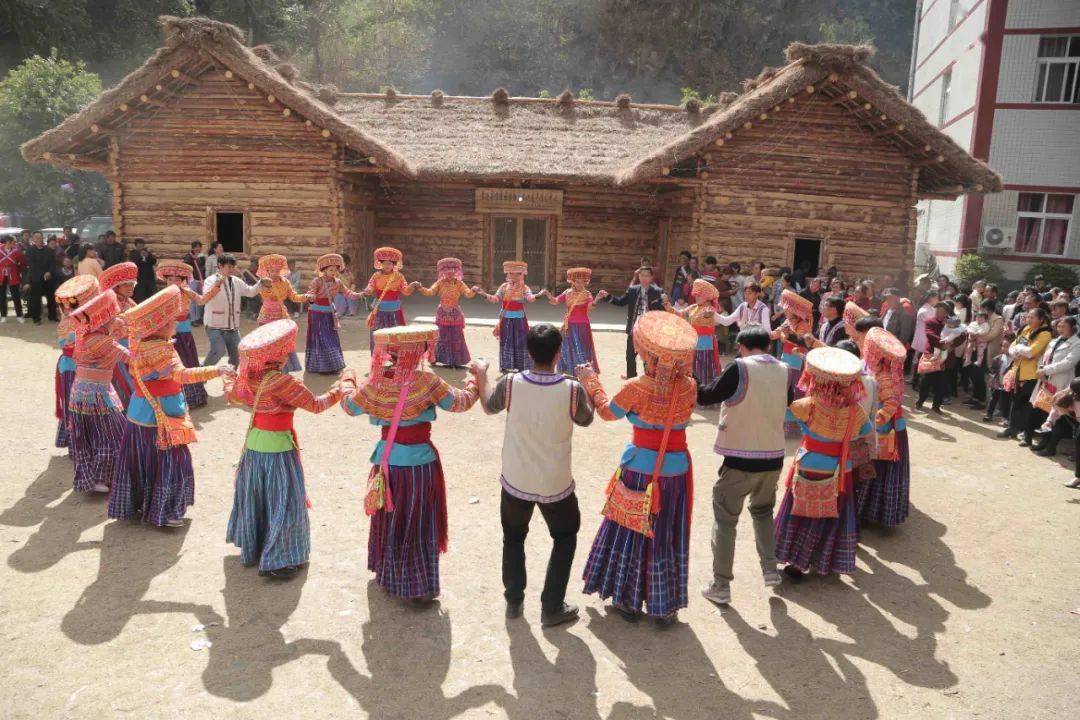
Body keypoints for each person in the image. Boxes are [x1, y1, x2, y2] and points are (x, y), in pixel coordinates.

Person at [340, 325, 481, 604]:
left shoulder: (376, 382)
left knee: (391, 518)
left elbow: (350, 407)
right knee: (417, 521)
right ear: (421, 350)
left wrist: (347, 380)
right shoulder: (426, 381)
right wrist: (475, 379)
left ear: (389, 351)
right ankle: (417, 585)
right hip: (420, 465)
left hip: (387, 464)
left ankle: (389, 574)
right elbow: (461, 403)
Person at [575, 311, 697, 624]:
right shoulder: (689, 387)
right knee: (667, 532)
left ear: (648, 355)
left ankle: (628, 600)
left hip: (641, 470)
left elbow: (606, 413)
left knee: (632, 528)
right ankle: (664, 604)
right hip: (676, 469)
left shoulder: (637, 387)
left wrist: (591, 382)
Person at [477, 324, 594, 627]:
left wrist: (481, 375)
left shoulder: (512, 383)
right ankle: (551, 605)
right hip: (555, 481)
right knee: (565, 537)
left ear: (529, 352)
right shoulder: (571, 389)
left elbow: (489, 405)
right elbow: (586, 419)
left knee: (513, 538)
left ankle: (514, 600)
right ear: (559, 354)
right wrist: (589, 383)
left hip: (516, 479)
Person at [226, 319, 354, 577]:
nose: (289, 355)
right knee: (282, 501)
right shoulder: (282, 382)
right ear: (279, 354)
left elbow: (233, 394)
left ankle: (256, 546)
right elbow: (316, 405)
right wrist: (341, 388)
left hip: (254, 446)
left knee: (258, 498)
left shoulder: (249, 376)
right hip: (278, 449)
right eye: (286, 351)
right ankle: (280, 560)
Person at [109, 286, 235, 527]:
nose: (175, 323)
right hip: (161, 414)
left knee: (141, 459)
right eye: (171, 320)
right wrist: (216, 370)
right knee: (168, 460)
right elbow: (181, 375)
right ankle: (164, 511)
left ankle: (138, 505)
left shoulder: (141, 341)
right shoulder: (161, 348)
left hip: (140, 411)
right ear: (160, 326)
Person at [697, 326, 789, 605]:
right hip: (772, 457)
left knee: (726, 521)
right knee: (762, 512)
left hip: (740, 457)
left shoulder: (740, 367)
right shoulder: (785, 369)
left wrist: (690, 380)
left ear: (742, 346)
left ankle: (721, 584)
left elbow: (707, 396)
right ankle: (770, 569)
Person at [774, 347, 873, 581]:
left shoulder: (810, 404)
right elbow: (865, 431)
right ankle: (823, 561)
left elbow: (789, 412)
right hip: (840, 469)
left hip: (809, 463)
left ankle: (792, 560)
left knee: (799, 511)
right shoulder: (855, 411)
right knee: (830, 514)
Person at [68, 290, 129, 493]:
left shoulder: (86, 335)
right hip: (97, 394)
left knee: (90, 436)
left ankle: (94, 478)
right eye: (112, 317)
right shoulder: (102, 342)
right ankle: (102, 478)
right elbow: (132, 357)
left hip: (83, 392)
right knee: (112, 433)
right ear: (104, 319)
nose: (116, 320)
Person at [856, 327, 911, 526]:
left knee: (877, 472)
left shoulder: (884, 376)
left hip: (885, 432)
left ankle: (872, 514)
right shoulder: (878, 371)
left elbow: (890, 404)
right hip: (885, 429)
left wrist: (872, 422)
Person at [184, 254, 262, 368]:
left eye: (233, 267)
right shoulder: (210, 280)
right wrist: (217, 284)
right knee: (219, 351)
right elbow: (205, 297)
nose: (232, 270)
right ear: (220, 266)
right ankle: (202, 374)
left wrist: (260, 283)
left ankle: (231, 379)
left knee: (237, 355)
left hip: (233, 326)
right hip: (215, 325)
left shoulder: (237, 281)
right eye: (229, 267)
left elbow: (250, 292)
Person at [53, 275, 100, 453]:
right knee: (75, 406)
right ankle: (77, 445)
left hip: (79, 366)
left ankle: (83, 443)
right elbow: (68, 345)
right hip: (72, 366)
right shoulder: (69, 323)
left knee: (83, 405)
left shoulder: (79, 321)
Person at [157, 260, 208, 408]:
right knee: (170, 366)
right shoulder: (162, 294)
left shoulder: (187, 292)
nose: (173, 282)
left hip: (184, 333)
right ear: (166, 280)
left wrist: (216, 285)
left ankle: (192, 398)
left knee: (188, 362)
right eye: (170, 279)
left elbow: (202, 301)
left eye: (177, 280)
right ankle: (173, 399)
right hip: (167, 335)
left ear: (183, 281)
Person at [1025, 315, 1080, 453]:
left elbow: (1068, 363)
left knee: (1059, 415)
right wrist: (1041, 370)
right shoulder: (1054, 341)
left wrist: (1045, 370)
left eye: (1064, 327)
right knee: (1046, 411)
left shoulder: (1077, 344)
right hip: (1047, 380)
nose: (1060, 329)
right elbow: (1044, 358)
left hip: (1062, 382)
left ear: (1072, 328)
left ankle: (1051, 447)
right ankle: (1045, 441)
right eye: (1059, 326)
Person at [998, 309, 1053, 445]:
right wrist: (1017, 350)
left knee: (1028, 405)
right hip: (1018, 371)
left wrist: (1019, 349)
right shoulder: (1027, 329)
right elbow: (1013, 346)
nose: (1028, 320)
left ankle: (1025, 432)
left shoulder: (1045, 334)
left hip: (1032, 375)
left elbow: (1031, 352)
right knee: (1015, 401)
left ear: (1041, 319)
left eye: (1032, 317)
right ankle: (1012, 428)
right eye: (1028, 317)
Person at [303, 253, 362, 374]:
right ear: (324, 270)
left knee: (330, 338)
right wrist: (311, 296)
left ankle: (332, 366)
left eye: (335, 270)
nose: (334, 272)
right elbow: (311, 292)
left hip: (330, 314)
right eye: (331, 270)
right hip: (316, 313)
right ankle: (321, 367)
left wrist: (361, 294)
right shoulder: (317, 281)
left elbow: (348, 293)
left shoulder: (338, 282)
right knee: (321, 338)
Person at [474, 261, 538, 373]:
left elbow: (529, 297)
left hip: (520, 319)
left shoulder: (524, 287)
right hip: (506, 319)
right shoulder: (504, 287)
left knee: (520, 341)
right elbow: (495, 299)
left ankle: (521, 365)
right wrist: (483, 293)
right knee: (506, 341)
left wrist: (534, 296)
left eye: (517, 273)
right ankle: (506, 364)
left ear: (521, 274)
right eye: (510, 273)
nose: (513, 275)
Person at [543, 267, 606, 374]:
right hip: (569, 325)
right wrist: (548, 295)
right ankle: (569, 369)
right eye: (577, 282)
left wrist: (597, 298)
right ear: (572, 282)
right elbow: (555, 301)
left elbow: (590, 307)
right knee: (568, 347)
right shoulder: (567, 293)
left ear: (586, 282)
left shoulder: (587, 294)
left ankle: (583, 370)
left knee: (581, 347)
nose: (580, 284)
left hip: (582, 325)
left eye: (583, 282)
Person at [607, 265, 665, 379]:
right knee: (630, 355)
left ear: (651, 277)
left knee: (648, 356)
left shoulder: (658, 292)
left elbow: (662, 312)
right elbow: (621, 302)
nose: (644, 278)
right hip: (634, 328)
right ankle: (631, 377)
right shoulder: (633, 290)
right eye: (642, 275)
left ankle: (648, 378)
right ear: (638, 276)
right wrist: (607, 297)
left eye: (647, 276)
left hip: (650, 330)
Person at [416, 257, 476, 368]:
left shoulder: (459, 283)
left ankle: (457, 361)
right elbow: (429, 292)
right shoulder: (440, 283)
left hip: (455, 314)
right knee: (441, 336)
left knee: (456, 336)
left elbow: (468, 294)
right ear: (442, 271)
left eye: (453, 269)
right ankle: (437, 358)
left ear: (457, 271)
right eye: (447, 269)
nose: (450, 272)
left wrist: (473, 290)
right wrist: (420, 288)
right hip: (442, 313)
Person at [254, 254, 305, 372]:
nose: (275, 273)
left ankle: (284, 369)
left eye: (277, 270)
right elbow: (264, 295)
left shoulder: (285, 282)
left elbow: (293, 296)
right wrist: (266, 287)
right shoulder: (264, 283)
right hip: (267, 316)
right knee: (269, 343)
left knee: (283, 342)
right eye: (272, 271)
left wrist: (305, 297)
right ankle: (267, 370)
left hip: (281, 316)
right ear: (267, 271)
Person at [669, 278, 723, 389]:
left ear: (707, 296)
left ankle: (704, 394)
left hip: (704, 344)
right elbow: (679, 314)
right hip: (692, 342)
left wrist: (708, 314)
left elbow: (709, 314)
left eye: (700, 295)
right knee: (692, 369)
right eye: (696, 295)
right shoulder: (693, 307)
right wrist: (667, 306)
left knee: (702, 369)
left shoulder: (709, 308)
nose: (696, 297)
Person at [359, 246, 416, 347]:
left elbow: (405, 291)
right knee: (378, 334)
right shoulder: (376, 276)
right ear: (380, 264)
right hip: (380, 310)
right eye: (384, 263)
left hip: (394, 311)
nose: (387, 265)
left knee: (394, 334)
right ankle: (378, 357)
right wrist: (367, 290)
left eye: (390, 263)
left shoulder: (399, 276)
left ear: (394, 264)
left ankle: (393, 356)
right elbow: (370, 287)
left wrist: (411, 286)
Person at [100, 262, 139, 408]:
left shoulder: (129, 302)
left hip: (130, 346)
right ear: (116, 287)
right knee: (121, 381)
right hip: (116, 349)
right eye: (126, 285)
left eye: (131, 284)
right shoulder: (110, 303)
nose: (130, 288)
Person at [914, 302, 952, 413]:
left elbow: (961, 335)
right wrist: (943, 342)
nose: (940, 314)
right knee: (926, 381)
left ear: (946, 314)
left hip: (943, 356)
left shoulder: (950, 324)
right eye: (938, 311)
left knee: (940, 383)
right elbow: (929, 334)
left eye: (943, 312)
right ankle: (920, 402)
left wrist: (952, 345)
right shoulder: (930, 322)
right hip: (930, 354)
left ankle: (936, 406)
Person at [23, 231, 58, 324]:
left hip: (49, 278)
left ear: (43, 239)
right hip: (36, 278)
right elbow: (32, 265)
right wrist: (44, 273)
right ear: (33, 239)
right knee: (36, 299)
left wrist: (49, 272)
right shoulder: (30, 251)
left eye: (41, 238)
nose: (39, 240)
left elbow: (53, 263)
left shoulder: (48, 250)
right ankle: (36, 318)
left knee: (51, 297)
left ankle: (52, 316)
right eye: (37, 238)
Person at [0, 234, 26, 322]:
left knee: (16, 296)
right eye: (13, 243)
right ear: (8, 242)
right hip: (1, 275)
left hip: (13, 275)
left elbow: (22, 263)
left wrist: (16, 269)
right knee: (2, 297)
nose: (15, 244)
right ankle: (3, 315)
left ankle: (19, 315)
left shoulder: (17, 252)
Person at [182, 241, 206, 326]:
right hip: (192, 280)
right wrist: (193, 259)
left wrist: (199, 258)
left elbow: (203, 266)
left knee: (200, 299)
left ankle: (198, 318)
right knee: (193, 300)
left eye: (199, 247)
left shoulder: (202, 256)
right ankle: (193, 319)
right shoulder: (189, 256)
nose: (198, 249)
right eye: (196, 247)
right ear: (192, 248)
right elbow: (186, 265)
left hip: (201, 279)